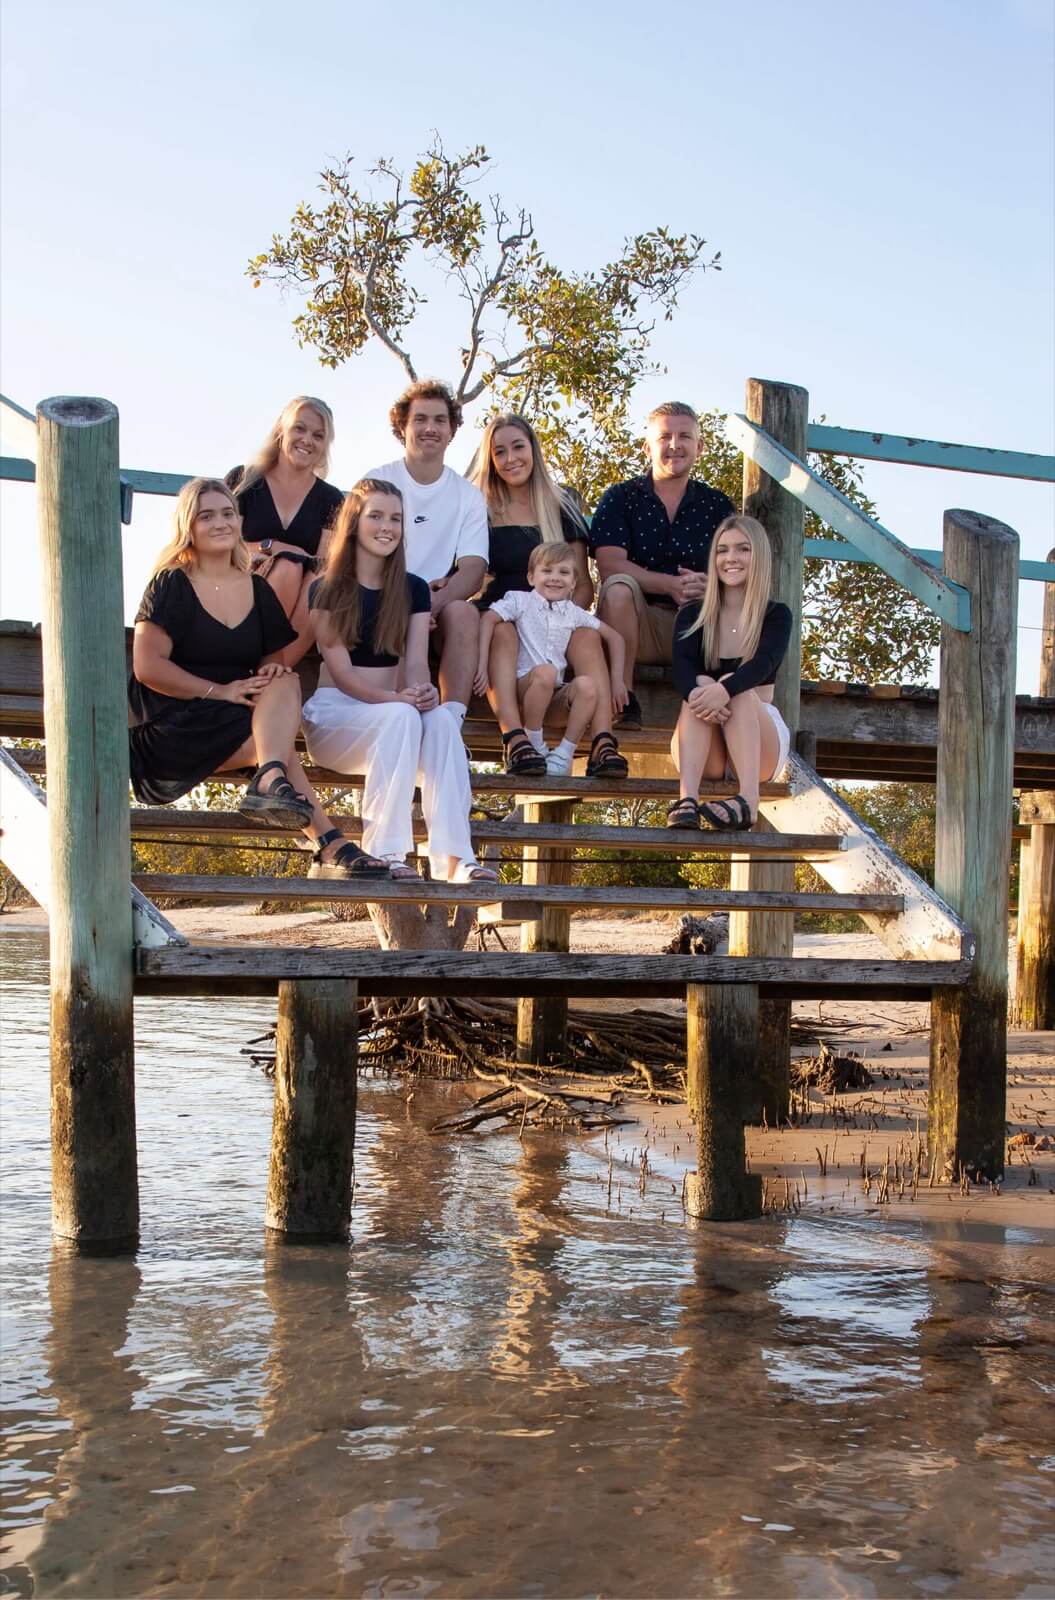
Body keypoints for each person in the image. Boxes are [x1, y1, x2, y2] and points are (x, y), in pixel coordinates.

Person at [128, 477, 388, 880]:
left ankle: (286, 795)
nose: (220, 523)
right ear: (188, 526)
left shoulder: (257, 589)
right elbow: (148, 668)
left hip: (233, 724)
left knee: (284, 680)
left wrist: (264, 676)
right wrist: (220, 691)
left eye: (228, 514)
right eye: (206, 516)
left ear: (239, 522)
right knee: (277, 749)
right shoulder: (171, 584)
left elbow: (273, 665)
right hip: (169, 731)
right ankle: (326, 840)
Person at [302, 478, 498, 884]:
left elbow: (416, 666)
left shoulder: (412, 589)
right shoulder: (326, 589)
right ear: (354, 523)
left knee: (441, 720)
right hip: (336, 719)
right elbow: (343, 676)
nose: (387, 527)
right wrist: (398, 701)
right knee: (400, 715)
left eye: (395, 518)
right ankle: (386, 852)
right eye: (376, 516)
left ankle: (455, 859)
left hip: (394, 718)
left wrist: (422, 692)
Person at [467, 412, 628, 778]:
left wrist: (557, 622)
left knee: (587, 635)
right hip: (505, 612)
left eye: (518, 447)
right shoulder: (480, 508)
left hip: (555, 615)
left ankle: (603, 742)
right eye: (499, 452)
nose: (511, 459)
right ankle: (516, 739)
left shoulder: (561, 503)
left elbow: (582, 584)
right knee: (503, 629)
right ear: (490, 459)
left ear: (533, 450)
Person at [591, 402, 736, 730]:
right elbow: (610, 565)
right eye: (664, 437)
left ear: (699, 447)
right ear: (647, 447)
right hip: (638, 625)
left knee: (746, 602)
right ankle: (624, 700)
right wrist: (669, 585)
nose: (674, 444)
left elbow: (737, 567)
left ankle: (728, 703)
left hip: (698, 629)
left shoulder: (717, 505)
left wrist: (710, 585)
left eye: (684, 436)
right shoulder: (621, 497)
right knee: (617, 587)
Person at [364, 380, 488, 727]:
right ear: (402, 427)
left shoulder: (468, 495)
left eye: (439, 420)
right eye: (420, 419)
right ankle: (405, 722)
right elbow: (359, 555)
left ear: (451, 431)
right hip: (382, 598)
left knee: (465, 613)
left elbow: (473, 569)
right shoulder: (377, 482)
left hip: (437, 605)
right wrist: (409, 603)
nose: (430, 428)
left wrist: (432, 603)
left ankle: (450, 726)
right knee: (397, 615)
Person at [667, 515, 792, 831]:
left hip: (758, 745)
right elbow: (681, 669)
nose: (731, 558)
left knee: (733, 687)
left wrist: (724, 690)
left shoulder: (776, 615)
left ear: (758, 556)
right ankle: (687, 800)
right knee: (697, 687)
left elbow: (764, 663)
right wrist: (703, 690)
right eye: (722, 550)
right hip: (706, 748)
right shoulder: (693, 615)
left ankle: (748, 800)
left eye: (742, 549)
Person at [475, 542, 627, 776]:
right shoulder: (519, 601)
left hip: (553, 694)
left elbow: (615, 638)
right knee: (546, 672)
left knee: (587, 685)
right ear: (531, 577)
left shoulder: (573, 613)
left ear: (574, 583)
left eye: (563, 572)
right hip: (523, 687)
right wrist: (481, 664)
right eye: (547, 571)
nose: (555, 578)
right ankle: (533, 741)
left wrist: (618, 680)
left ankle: (564, 753)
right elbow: (488, 619)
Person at [226, 396, 342, 660]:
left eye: (318, 435)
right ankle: (257, 666)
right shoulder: (244, 480)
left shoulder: (331, 499)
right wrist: (271, 548)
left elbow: (323, 562)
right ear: (282, 429)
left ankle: (274, 670)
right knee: (289, 566)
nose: (307, 440)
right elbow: (225, 546)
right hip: (242, 581)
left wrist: (295, 561)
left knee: (323, 581)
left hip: (302, 600)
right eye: (299, 428)